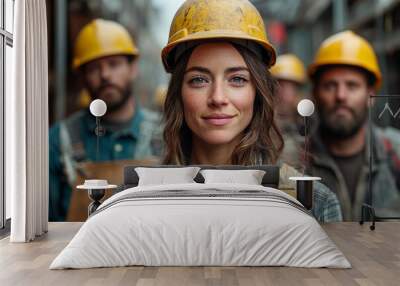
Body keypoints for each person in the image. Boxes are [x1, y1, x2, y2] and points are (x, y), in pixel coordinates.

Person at [160, 0, 342, 222]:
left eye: (237, 79)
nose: (218, 97)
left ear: (258, 92)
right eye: (199, 79)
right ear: (178, 92)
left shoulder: (314, 203)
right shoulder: (138, 197)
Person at [49, 19, 162, 221]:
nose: (105, 75)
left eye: (114, 64)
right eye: (93, 68)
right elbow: (46, 224)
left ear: (133, 68)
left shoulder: (165, 134)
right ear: (82, 78)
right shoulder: (59, 139)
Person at [308, 30, 400, 220]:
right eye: (330, 85)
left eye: (352, 85)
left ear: (371, 96)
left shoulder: (396, 153)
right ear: (315, 94)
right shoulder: (293, 162)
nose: (341, 95)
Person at [270, 54, 308, 171]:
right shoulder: (261, 125)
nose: (284, 93)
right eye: (280, 85)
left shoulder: (308, 124)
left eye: (290, 87)